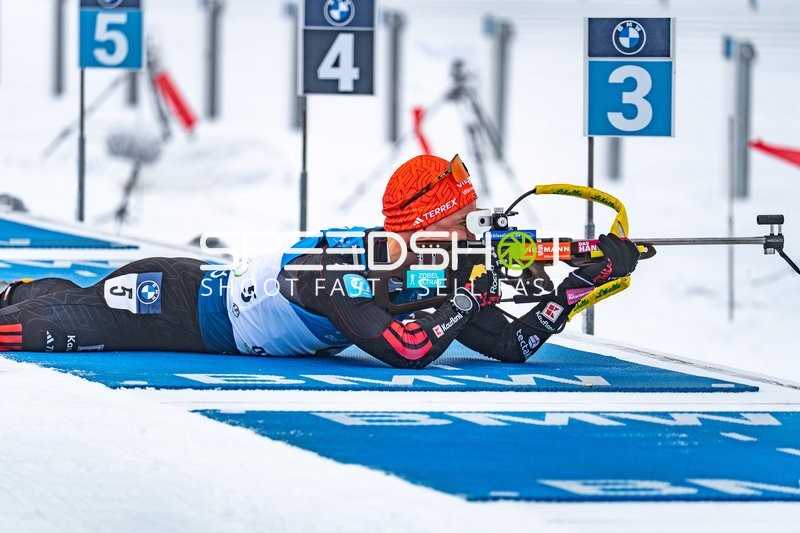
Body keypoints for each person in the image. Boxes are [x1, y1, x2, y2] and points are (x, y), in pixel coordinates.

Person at [0, 154, 640, 368]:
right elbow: (405, 349)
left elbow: (512, 344)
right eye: (461, 221)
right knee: (31, 331)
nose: (474, 233)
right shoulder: (338, 265)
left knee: (50, 302)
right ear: (422, 225)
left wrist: (579, 285)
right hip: (166, 307)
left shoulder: (427, 270)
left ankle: (22, 288)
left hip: (191, 295)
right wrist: (470, 296)